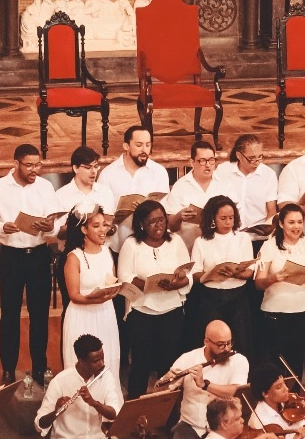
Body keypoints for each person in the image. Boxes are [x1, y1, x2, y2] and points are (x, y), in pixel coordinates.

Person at [164, 320, 250, 439]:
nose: (227, 348)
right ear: (207, 342)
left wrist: (204, 384)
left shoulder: (239, 361)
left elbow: (233, 392)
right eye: (221, 345)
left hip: (222, 427)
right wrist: (167, 379)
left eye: (229, 343)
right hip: (190, 424)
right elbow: (161, 392)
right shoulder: (188, 358)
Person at [117, 200, 192, 398]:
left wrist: (177, 283)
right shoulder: (132, 244)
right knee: (141, 364)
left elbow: (188, 273)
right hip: (142, 311)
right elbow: (124, 276)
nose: (158, 225)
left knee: (169, 364)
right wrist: (147, 285)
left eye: (161, 220)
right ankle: (135, 412)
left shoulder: (175, 241)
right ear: (141, 224)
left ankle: (168, 413)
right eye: (152, 222)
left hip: (172, 310)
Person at [0, 143, 59, 385]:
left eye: (38, 164)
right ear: (16, 164)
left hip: (37, 256)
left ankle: (39, 367)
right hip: (9, 256)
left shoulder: (45, 187)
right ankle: (8, 369)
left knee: (39, 315)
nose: (35, 170)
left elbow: (54, 222)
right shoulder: (1, 187)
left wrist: (49, 226)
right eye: (30, 165)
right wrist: (2, 228)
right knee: (10, 314)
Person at [255, 203, 305, 380]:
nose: (296, 226)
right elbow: (258, 283)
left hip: (303, 311)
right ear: (281, 224)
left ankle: (296, 404)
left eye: (299, 222)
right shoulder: (269, 246)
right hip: (275, 312)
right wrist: (275, 277)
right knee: (276, 364)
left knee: (297, 362)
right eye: (291, 222)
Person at [191, 196, 255, 359]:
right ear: (212, 218)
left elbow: (250, 271)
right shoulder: (201, 241)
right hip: (211, 299)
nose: (228, 222)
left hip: (238, 297)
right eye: (223, 218)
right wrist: (211, 274)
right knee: (214, 345)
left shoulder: (242, 238)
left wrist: (236, 272)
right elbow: (195, 274)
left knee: (240, 344)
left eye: (231, 218)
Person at [62, 204, 121, 381]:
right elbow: (73, 295)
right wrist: (92, 299)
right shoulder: (74, 257)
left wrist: (115, 291)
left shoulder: (107, 252)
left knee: (108, 361)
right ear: (83, 229)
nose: (103, 230)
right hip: (82, 316)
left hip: (105, 314)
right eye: (96, 226)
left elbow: (112, 282)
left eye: (104, 224)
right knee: (82, 369)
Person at [98, 125, 170, 257]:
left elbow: (164, 209)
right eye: (139, 145)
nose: (144, 150)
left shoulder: (159, 172)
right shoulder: (108, 174)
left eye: (148, 145)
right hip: (118, 246)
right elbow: (101, 213)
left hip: (150, 244)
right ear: (126, 146)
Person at [163, 141, 228, 253]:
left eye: (211, 160)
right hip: (188, 249)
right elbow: (172, 227)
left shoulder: (225, 183)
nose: (208, 165)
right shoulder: (180, 186)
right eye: (202, 161)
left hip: (219, 249)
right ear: (192, 162)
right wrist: (179, 216)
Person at [217, 134, 278, 254]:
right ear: (239, 155)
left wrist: (268, 227)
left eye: (260, 157)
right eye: (252, 158)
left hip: (258, 239)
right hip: (229, 238)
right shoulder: (223, 171)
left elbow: (271, 211)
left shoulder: (268, 174)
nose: (256, 163)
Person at [55, 146, 116, 236]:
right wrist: (78, 223)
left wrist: (110, 227)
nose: (93, 171)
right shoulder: (61, 195)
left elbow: (113, 226)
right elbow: (59, 233)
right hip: (73, 248)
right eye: (88, 167)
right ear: (76, 168)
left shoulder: (105, 192)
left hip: (102, 247)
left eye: (96, 167)